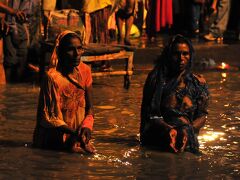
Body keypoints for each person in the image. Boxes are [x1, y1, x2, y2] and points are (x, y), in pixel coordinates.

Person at [140, 35, 209, 154]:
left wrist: (188, 130)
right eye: (176, 54)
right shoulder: (157, 79)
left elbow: (202, 116)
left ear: (190, 56)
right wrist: (169, 129)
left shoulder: (197, 83)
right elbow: (150, 114)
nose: (181, 58)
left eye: (185, 54)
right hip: (159, 139)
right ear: (169, 56)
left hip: (187, 139)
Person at [33, 30, 95, 154]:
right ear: (60, 52)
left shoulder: (85, 71)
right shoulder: (52, 78)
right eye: (71, 50)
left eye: (79, 48)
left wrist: (87, 126)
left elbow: (90, 107)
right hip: (54, 140)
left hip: (77, 136)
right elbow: (50, 118)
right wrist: (74, 133)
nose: (76, 54)